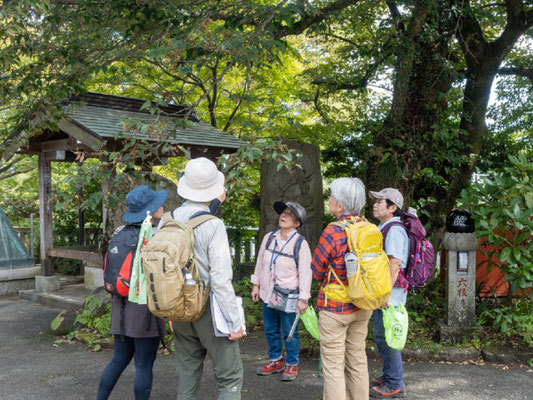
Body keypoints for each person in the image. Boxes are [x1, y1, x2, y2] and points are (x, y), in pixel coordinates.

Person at [170, 157, 244, 400]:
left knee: (187, 379)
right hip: (208, 308)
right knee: (229, 377)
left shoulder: (167, 220)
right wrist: (234, 321)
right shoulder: (213, 225)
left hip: (178, 307)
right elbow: (221, 279)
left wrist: (170, 311)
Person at [97, 185, 168, 400]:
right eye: (158, 205)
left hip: (120, 308)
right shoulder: (152, 239)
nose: (162, 207)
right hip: (143, 311)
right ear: (150, 212)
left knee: (118, 360)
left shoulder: (120, 233)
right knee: (144, 365)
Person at [311, 177, 373, 400]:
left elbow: (316, 270)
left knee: (334, 367)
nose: (329, 200)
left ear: (340, 204)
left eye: (331, 196)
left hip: (335, 309)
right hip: (363, 304)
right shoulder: (369, 229)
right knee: (357, 361)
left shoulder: (333, 231)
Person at [251, 201, 312, 381]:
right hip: (268, 292)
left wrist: (303, 298)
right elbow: (260, 261)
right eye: (283, 213)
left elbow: (306, 273)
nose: (283, 216)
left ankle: (292, 364)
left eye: (289, 214)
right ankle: (276, 360)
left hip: (289, 295)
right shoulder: (269, 237)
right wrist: (256, 285)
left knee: (289, 332)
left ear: (297, 223)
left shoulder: (301, 244)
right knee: (270, 329)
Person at [368, 188, 409, 399]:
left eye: (380, 201)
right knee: (382, 336)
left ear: (393, 208)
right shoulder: (384, 227)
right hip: (385, 292)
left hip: (390, 293)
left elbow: (395, 264)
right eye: (374, 201)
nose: (375, 204)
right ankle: (389, 376)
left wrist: (383, 294)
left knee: (389, 337)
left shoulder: (394, 230)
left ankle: (395, 383)